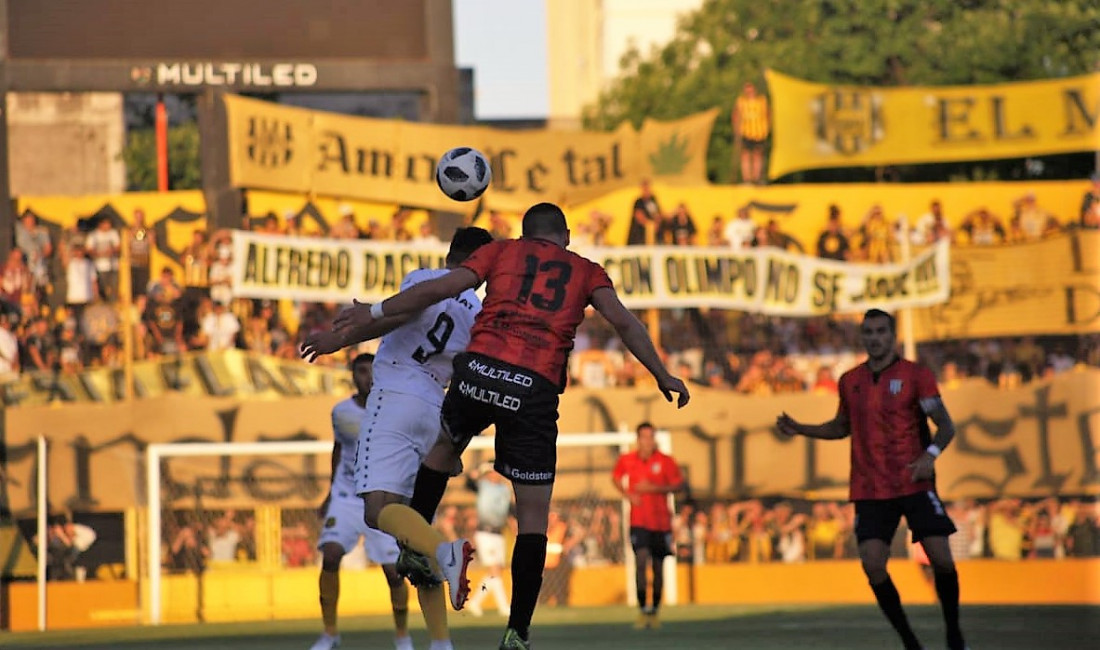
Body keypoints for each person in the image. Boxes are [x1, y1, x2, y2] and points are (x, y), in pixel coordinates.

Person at [328, 202, 690, 650]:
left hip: (479, 371)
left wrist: (377, 311)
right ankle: (517, 632)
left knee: (443, 450)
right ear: (567, 236)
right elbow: (624, 322)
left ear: (524, 233)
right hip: (533, 387)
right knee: (533, 516)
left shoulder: (501, 252)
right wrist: (660, 373)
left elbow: (440, 287)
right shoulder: (586, 270)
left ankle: (416, 545)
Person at [302, 227, 496, 650]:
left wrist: (340, 337)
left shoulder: (424, 278)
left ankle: (447, 553)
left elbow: (402, 314)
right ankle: (441, 642)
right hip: (435, 408)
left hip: (396, 395)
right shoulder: (479, 311)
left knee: (376, 511)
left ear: (451, 252)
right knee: (411, 535)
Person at [776, 309, 968, 650]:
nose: (874, 337)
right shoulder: (850, 381)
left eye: (881, 331)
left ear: (891, 336)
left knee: (940, 557)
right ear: (862, 337)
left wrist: (930, 456)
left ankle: (954, 636)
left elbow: (946, 425)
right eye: (868, 332)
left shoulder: (916, 376)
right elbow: (841, 427)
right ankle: (910, 641)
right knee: (873, 565)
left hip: (913, 480)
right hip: (869, 486)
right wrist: (801, 428)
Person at [310, 353, 414, 650]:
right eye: (361, 371)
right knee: (330, 555)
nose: (366, 376)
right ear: (353, 375)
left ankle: (402, 635)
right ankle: (329, 633)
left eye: (371, 371)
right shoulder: (340, 411)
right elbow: (338, 449)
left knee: (394, 573)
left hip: (381, 498)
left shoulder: (394, 410)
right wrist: (330, 492)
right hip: (346, 496)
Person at [611, 422, 684, 630]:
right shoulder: (628, 459)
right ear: (638, 439)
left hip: (661, 522)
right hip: (639, 521)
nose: (647, 441)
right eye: (644, 437)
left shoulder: (666, 461)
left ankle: (655, 612)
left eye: (650, 437)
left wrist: (655, 488)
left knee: (659, 568)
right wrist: (627, 494)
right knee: (641, 561)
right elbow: (616, 477)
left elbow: (679, 485)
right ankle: (643, 610)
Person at [464, 462, 513, 618]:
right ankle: (504, 607)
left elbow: (509, 510)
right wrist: (474, 473)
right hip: (485, 532)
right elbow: (469, 484)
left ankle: (475, 603)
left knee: (495, 571)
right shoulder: (483, 486)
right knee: (494, 570)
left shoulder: (504, 489)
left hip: (499, 533)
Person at [733, 81, 770, 184]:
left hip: (759, 132)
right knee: (745, 155)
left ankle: (756, 178)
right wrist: (736, 130)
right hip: (745, 132)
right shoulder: (741, 102)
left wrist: (767, 129)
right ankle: (747, 179)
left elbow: (768, 114)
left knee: (757, 155)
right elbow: (736, 116)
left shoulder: (762, 101)